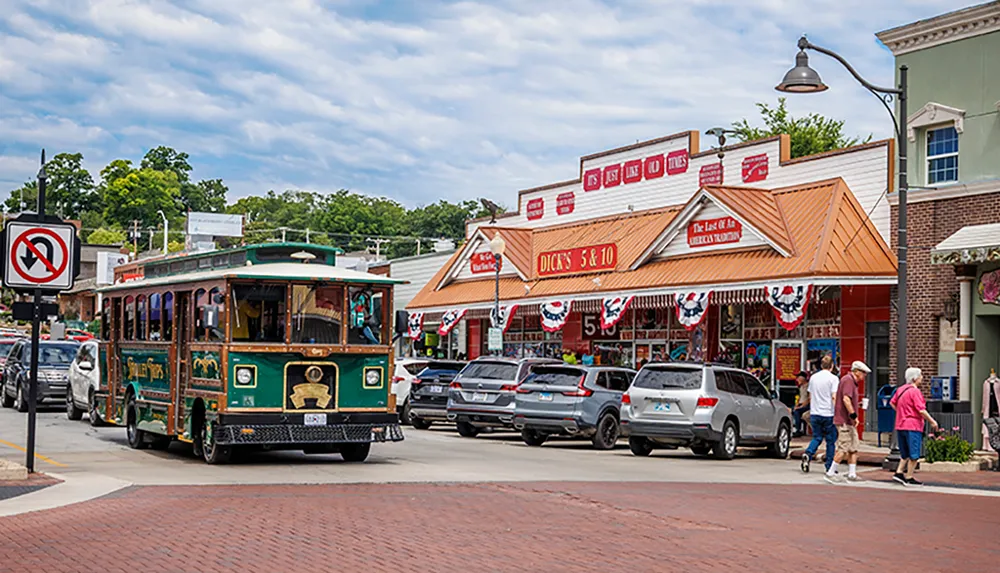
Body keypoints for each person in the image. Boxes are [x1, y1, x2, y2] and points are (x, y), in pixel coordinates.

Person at [890, 367, 938, 486]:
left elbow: (892, 402)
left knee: (904, 452)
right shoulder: (915, 392)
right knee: (914, 453)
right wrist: (932, 421)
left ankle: (899, 472)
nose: (922, 378)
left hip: (901, 424)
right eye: (920, 376)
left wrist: (901, 412)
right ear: (915, 378)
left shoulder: (900, 389)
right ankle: (909, 476)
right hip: (913, 425)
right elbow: (921, 410)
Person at [825, 361, 870, 484]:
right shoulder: (848, 380)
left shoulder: (851, 382)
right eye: (863, 373)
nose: (864, 376)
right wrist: (854, 415)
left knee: (853, 447)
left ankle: (852, 474)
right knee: (843, 447)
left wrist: (857, 405)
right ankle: (830, 472)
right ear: (857, 371)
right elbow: (846, 399)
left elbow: (847, 400)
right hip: (845, 420)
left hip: (848, 421)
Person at [801, 355, 839, 474]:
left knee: (817, 437)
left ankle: (808, 453)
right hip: (828, 413)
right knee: (830, 440)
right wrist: (837, 411)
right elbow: (834, 396)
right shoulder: (833, 379)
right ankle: (829, 466)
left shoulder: (813, 378)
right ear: (832, 366)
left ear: (821, 365)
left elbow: (811, 396)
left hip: (815, 412)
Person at [792, 371, 810, 437]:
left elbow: (809, 398)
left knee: (797, 412)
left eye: (798, 377)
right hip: (801, 404)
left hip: (807, 405)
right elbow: (800, 396)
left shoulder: (808, 386)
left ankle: (798, 430)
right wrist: (797, 405)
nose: (797, 379)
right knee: (794, 410)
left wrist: (801, 406)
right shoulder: (801, 387)